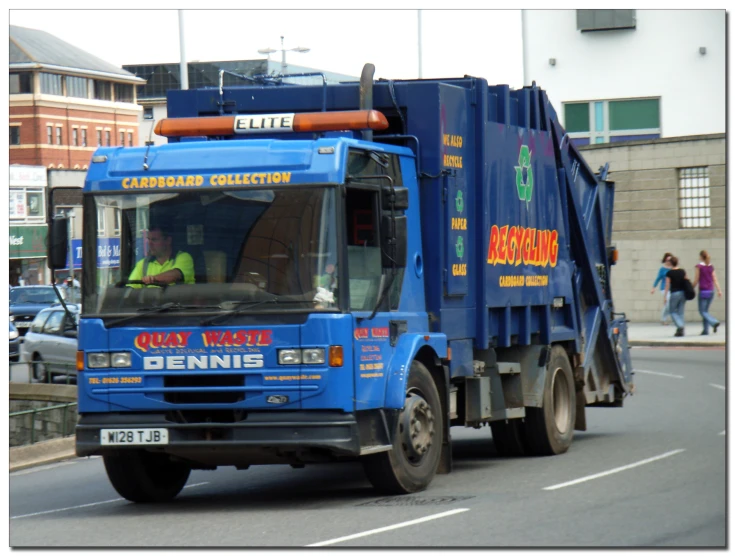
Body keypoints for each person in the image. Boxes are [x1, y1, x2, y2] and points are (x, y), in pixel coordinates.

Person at [128, 226, 195, 287]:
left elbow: (176, 275)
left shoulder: (184, 257)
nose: (150, 243)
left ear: (168, 241)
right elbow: (130, 287)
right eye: (149, 239)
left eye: (154, 240)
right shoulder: (143, 264)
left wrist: (153, 279)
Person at [691, 250, 722, 335]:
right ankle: (705, 330)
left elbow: (696, 279)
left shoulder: (699, 266)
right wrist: (719, 290)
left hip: (703, 291)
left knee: (702, 311)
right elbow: (715, 279)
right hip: (711, 291)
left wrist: (691, 288)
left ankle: (714, 322)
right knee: (705, 311)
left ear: (701, 257)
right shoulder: (711, 266)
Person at [664, 256, 688, 337]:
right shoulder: (682, 271)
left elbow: (667, 285)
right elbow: (686, 281)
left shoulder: (669, 273)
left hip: (674, 293)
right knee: (680, 312)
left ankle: (680, 326)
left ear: (671, 263)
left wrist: (665, 296)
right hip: (683, 293)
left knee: (672, 311)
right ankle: (680, 330)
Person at [650, 252, 673, 325]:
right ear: (665, 260)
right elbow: (658, 279)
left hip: (672, 288)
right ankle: (663, 319)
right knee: (668, 304)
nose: (668, 262)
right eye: (667, 260)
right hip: (664, 288)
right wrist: (653, 287)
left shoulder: (673, 268)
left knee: (668, 304)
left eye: (670, 260)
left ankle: (664, 319)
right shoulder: (662, 269)